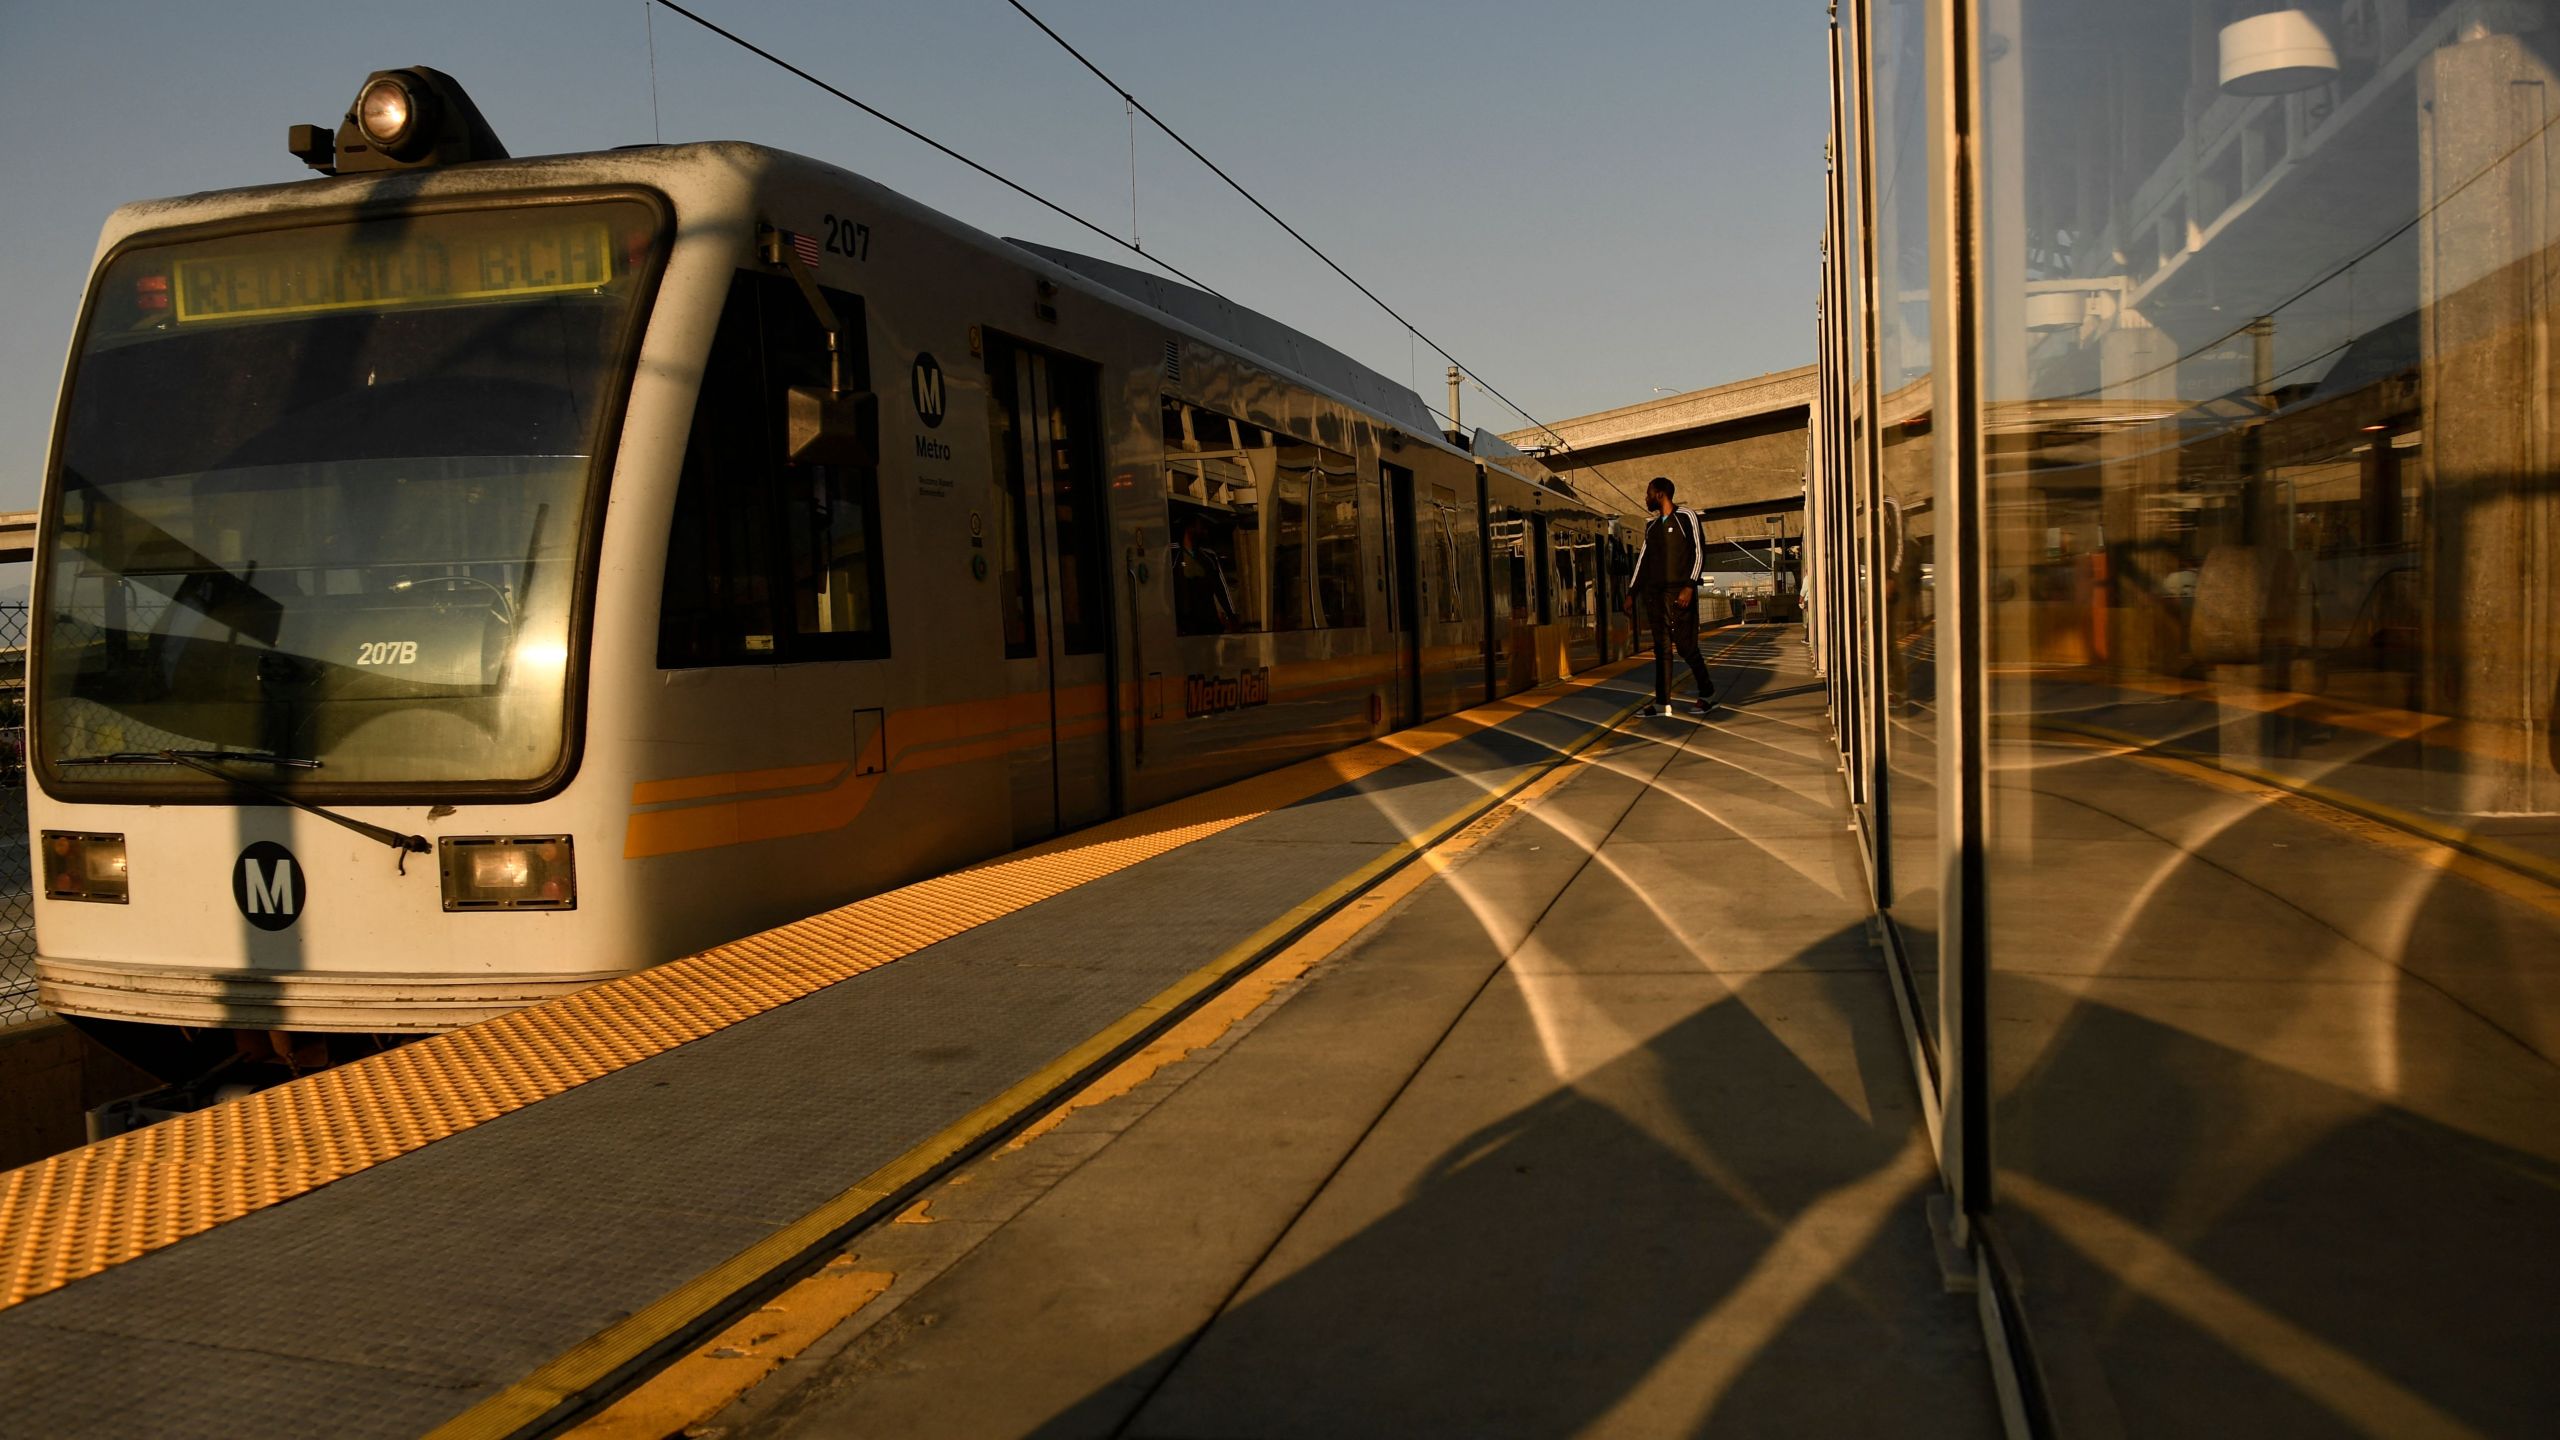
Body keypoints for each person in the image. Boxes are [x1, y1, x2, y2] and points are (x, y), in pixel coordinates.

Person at [1624, 476, 1717, 717]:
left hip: (1680, 593)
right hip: (1656, 596)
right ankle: (1661, 703)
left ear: (1660, 494)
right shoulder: (1652, 527)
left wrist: (1689, 586)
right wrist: (1632, 593)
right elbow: (1642, 562)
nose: (1645, 498)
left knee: (1687, 647)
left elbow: (1699, 551)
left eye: (1648, 493)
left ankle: (1708, 694)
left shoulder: (1687, 517)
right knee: (1661, 649)